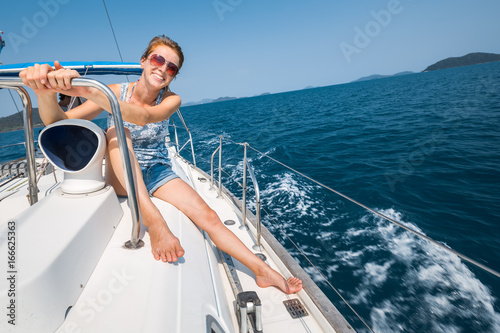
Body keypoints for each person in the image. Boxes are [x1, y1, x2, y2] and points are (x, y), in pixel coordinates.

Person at [19, 35, 302, 294]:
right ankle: (153, 219)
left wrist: (91, 91)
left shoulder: (171, 100)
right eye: (157, 60)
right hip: (121, 174)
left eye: (171, 68)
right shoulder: (115, 91)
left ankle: (262, 271)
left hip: (157, 170)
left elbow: (143, 117)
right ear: (144, 61)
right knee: (118, 131)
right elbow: (58, 124)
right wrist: (44, 92)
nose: (163, 69)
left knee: (210, 217)